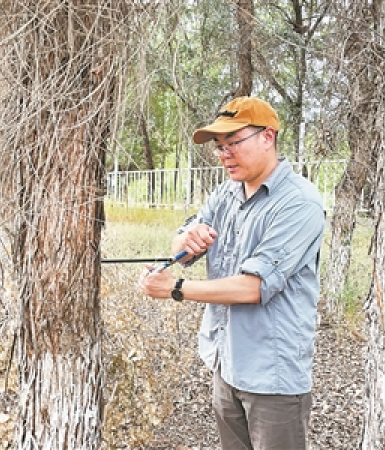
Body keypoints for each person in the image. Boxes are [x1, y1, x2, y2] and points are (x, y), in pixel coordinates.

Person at [138, 96, 325, 450]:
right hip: (226, 364)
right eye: (220, 147)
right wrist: (186, 239)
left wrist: (176, 287)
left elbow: (254, 286)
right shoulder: (226, 193)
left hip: (271, 375)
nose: (225, 154)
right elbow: (184, 237)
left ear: (267, 137)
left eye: (234, 143)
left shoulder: (299, 202)